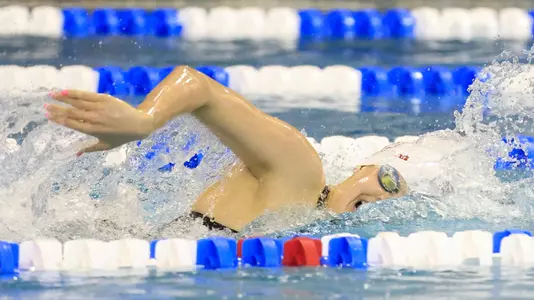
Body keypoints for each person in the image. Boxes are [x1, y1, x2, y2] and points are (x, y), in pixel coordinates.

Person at [44, 65, 409, 233]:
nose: (386, 197)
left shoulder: (309, 223)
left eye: (399, 199)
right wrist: (143, 122)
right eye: (390, 179)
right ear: (362, 168)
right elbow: (198, 86)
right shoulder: (302, 170)